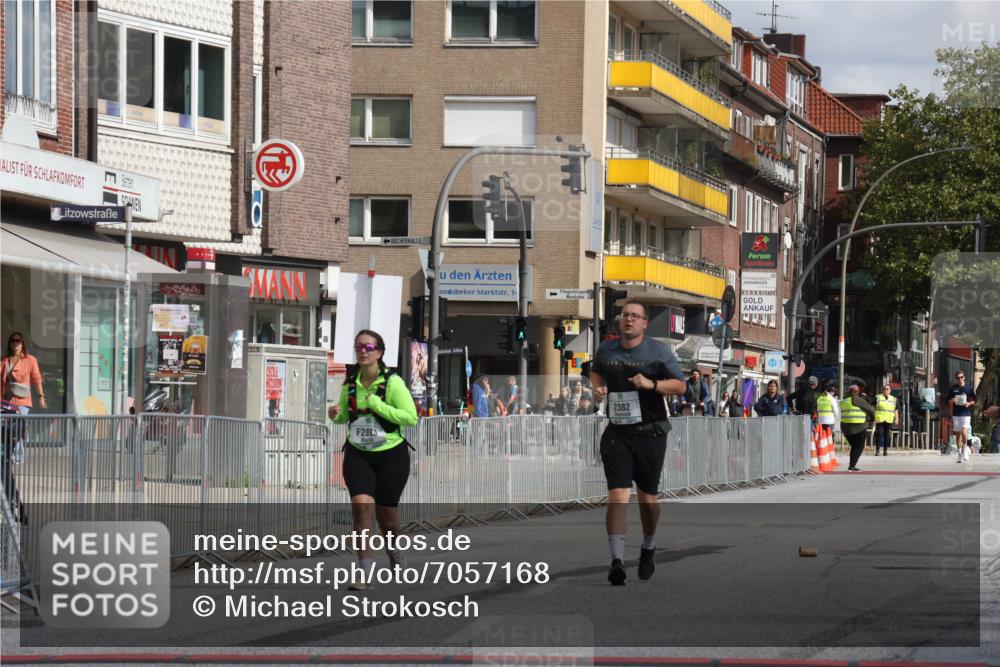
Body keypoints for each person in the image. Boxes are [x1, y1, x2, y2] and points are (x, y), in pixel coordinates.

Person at [589, 300, 686, 586]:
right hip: (618, 432)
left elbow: (680, 385)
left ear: (645, 323)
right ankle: (617, 561)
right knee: (618, 496)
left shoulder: (659, 351)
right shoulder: (607, 349)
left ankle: (648, 546)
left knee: (647, 500)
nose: (628, 319)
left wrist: (652, 385)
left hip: (650, 432)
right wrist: (598, 388)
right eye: (625, 315)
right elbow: (596, 370)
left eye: (635, 316)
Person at [329, 329, 419, 590]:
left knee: (387, 518)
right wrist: (334, 413)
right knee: (361, 509)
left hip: (391, 455)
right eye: (358, 347)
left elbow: (410, 417)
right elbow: (345, 415)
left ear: (379, 352)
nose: (362, 352)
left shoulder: (392, 383)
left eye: (368, 347)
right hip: (359, 454)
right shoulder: (350, 382)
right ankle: (365, 573)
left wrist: (378, 405)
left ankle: (394, 551)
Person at [1, 332, 46, 414]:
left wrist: (41, 397)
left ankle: (24, 427)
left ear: (22, 344)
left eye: (18, 340)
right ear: (10, 344)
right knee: (5, 426)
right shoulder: (4, 360)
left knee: (19, 424)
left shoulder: (30, 360)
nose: (15, 343)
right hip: (6, 400)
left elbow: (36, 379)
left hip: (22, 400)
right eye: (12, 341)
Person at [840, 384, 875, 471]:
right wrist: (871, 419)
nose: (857, 393)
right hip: (859, 426)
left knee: (854, 446)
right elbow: (871, 410)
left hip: (846, 428)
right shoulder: (857, 399)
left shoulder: (844, 400)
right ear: (853, 392)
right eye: (856, 391)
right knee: (859, 446)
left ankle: (851, 465)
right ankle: (852, 466)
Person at [947, 371, 976, 463]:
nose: (960, 379)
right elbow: (947, 400)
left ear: (964, 377)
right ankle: (959, 453)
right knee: (958, 435)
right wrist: (952, 400)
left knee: (964, 432)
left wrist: (969, 403)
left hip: (966, 414)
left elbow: (974, 400)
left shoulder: (969, 388)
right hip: (956, 414)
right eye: (958, 378)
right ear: (956, 379)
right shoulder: (953, 388)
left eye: (961, 377)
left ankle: (965, 450)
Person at [873, 384, 898, 456]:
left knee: (887, 436)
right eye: (884, 389)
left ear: (890, 391)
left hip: (889, 420)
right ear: (882, 390)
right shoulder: (878, 397)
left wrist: (896, 419)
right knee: (879, 434)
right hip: (880, 419)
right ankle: (877, 450)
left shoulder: (893, 399)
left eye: (887, 389)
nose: (886, 390)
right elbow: (872, 407)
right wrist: (873, 417)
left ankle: (885, 450)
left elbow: (895, 410)